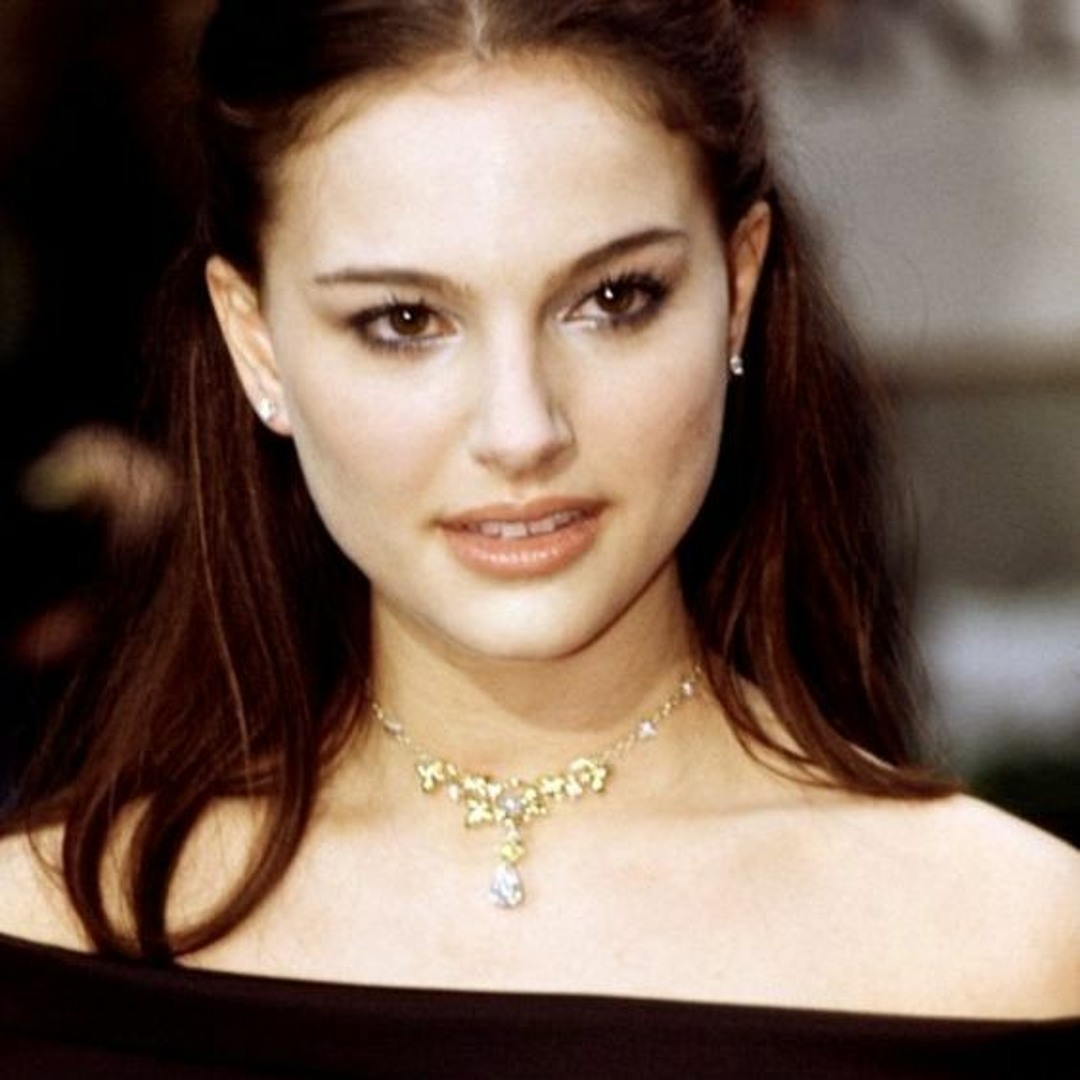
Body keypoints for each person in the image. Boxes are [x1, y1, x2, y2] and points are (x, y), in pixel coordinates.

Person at [0, 0, 1076, 1074]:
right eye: (404, 321)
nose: (521, 432)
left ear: (738, 287)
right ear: (256, 342)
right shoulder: (42, 939)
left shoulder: (1018, 949)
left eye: (614, 299)